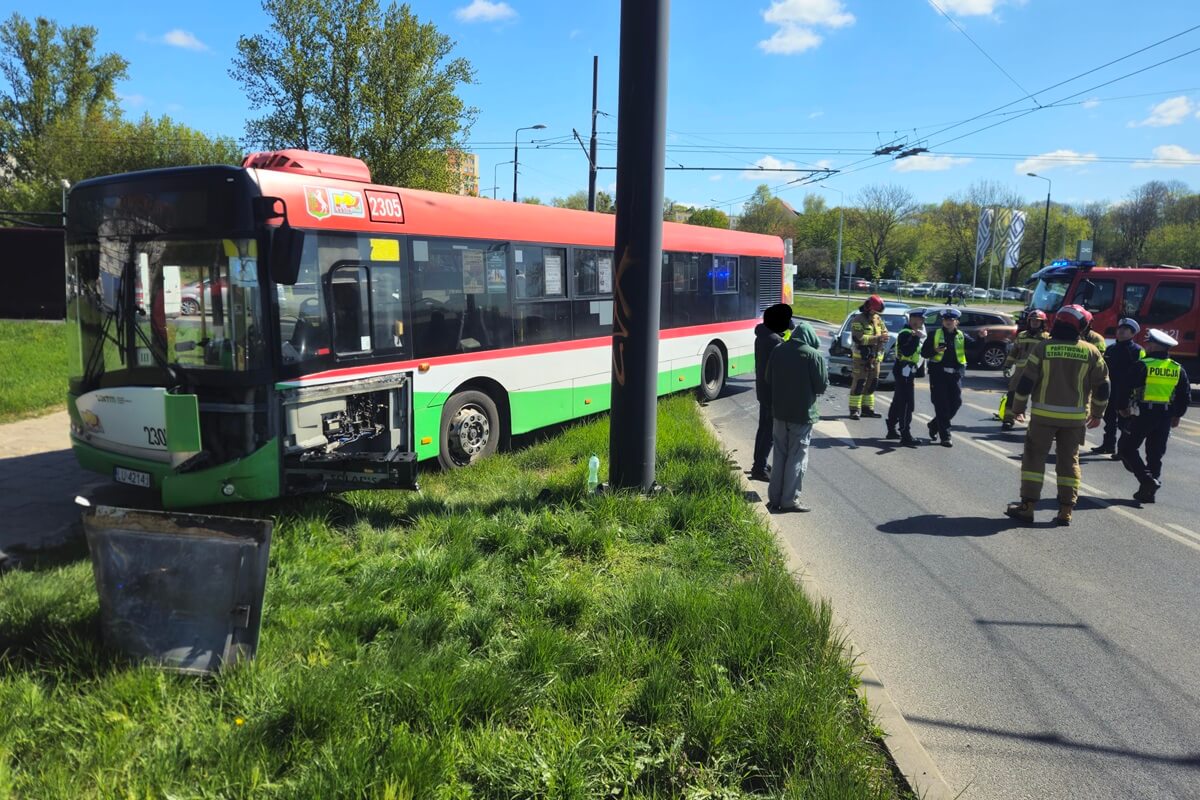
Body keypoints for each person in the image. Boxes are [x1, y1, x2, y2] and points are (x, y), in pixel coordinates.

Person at [1004, 305, 1110, 526]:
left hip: (1043, 416)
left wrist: (1018, 407)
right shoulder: (1091, 351)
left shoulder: (1043, 348)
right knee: (1069, 463)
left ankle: (1028, 507)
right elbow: (1103, 386)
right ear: (1081, 326)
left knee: (1034, 459)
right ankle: (1065, 511)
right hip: (1075, 419)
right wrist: (1098, 413)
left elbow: (1025, 381)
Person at [1118, 329, 1190, 503]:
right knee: (1155, 454)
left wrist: (1122, 408)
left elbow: (1125, 388)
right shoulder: (1177, 368)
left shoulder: (1143, 365)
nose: (1147, 346)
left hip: (1144, 414)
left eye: (1149, 343)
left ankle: (1147, 481)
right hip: (1165, 416)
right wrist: (1178, 415)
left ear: (1155, 345)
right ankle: (1149, 493)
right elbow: (1184, 395)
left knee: (1126, 449)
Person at [764, 320, 828, 513]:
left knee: (780, 454)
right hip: (802, 415)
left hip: (780, 413)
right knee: (797, 457)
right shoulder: (814, 355)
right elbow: (821, 386)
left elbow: (768, 378)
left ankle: (774, 498)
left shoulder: (778, 350)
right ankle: (790, 500)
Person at [750, 303, 794, 481]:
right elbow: (781, 366)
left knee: (763, 428)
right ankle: (759, 468)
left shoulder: (762, 336)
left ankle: (758, 462)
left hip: (763, 389)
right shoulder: (775, 342)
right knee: (770, 432)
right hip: (772, 392)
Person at [1090, 318, 1144, 456]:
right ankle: (1108, 445)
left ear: (1133, 334)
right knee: (1109, 420)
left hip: (1127, 392)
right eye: (1119, 329)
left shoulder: (1138, 351)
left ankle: (1122, 451)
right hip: (1111, 389)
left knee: (1124, 423)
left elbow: (1141, 374)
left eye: (1125, 330)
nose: (1120, 332)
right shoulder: (1111, 349)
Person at [921, 308, 973, 447]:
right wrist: (935, 350)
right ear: (943, 321)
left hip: (955, 375)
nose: (948, 322)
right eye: (946, 320)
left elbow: (974, 346)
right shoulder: (935, 334)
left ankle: (934, 424)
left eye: (951, 320)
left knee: (956, 403)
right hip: (939, 375)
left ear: (956, 322)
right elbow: (924, 353)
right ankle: (945, 436)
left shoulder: (961, 335)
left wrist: (982, 337)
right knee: (942, 405)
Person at [1000, 309, 1048, 430]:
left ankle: (1037, 423)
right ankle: (1008, 419)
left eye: (1038, 321)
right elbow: (1013, 353)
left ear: (1042, 323)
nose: (1035, 323)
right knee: (1012, 395)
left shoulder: (1047, 338)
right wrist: (1007, 366)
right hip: (1020, 373)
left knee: (1039, 399)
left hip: (1038, 374)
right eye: (1033, 320)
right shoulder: (1022, 336)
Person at [886, 309, 926, 447]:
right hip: (904, 370)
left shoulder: (911, 333)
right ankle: (905, 434)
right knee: (907, 404)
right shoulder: (906, 333)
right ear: (912, 319)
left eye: (921, 320)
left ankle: (891, 428)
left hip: (906, 370)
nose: (920, 322)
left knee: (898, 401)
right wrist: (916, 337)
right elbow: (908, 351)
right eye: (918, 319)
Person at [848, 294, 889, 420]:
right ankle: (854, 410)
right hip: (861, 358)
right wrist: (877, 338)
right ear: (868, 308)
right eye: (874, 310)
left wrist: (884, 336)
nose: (875, 313)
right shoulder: (858, 320)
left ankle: (867, 409)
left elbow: (884, 331)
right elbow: (859, 338)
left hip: (875, 358)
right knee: (859, 383)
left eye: (877, 312)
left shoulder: (877, 319)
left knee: (872, 383)